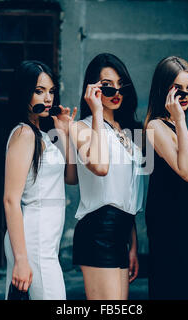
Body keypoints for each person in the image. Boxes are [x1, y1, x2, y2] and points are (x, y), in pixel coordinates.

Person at [69, 53, 144, 300]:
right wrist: (97, 111)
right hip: (98, 228)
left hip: (121, 229)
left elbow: (128, 191)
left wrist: (132, 244)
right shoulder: (81, 128)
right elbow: (100, 167)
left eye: (121, 85)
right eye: (107, 85)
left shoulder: (130, 132)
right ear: (93, 89)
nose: (116, 91)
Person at [3, 60, 77, 300]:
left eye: (51, 91)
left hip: (45, 240)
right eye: (39, 91)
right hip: (33, 239)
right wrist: (22, 260)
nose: (48, 98)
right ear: (24, 92)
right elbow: (11, 200)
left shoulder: (43, 134)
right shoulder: (24, 134)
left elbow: (71, 178)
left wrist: (64, 133)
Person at [143, 56, 188, 299]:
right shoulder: (156, 126)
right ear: (164, 90)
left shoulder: (185, 125)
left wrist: (182, 122)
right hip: (170, 226)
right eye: (178, 90)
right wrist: (181, 121)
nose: (184, 97)